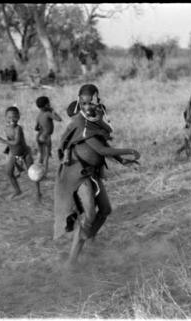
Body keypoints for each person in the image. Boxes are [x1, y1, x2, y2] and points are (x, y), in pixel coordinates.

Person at [54, 97, 140, 265]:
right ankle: (72, 260)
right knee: (89, 216)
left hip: (93, 175)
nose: (100, 114)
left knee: (106, 210)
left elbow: (106, 148)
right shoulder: (85, 130)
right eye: (98, 111)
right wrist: (129, 151)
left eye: (101, 111)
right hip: (80, 176)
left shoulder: (96, 129)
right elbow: (102, 150)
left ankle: (87, 239)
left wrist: (123, 161)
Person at [0, 106, 42, 200]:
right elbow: (10, 142)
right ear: (5, 117)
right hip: (13, 154)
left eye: (15, 117)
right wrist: (8, 150)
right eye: (9, 117)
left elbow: (16, 142)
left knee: (33, 173)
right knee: (8, 172)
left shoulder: (18, 128)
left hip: (25, 153)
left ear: (19, 117)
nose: (12, 119)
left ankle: (38, 192)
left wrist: (2, 141)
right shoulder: (6, 128)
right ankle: (17, 190)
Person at [34, 96, 62, 174]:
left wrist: (42, 128)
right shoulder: (48, 114)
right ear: (46, 105)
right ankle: (44, 173)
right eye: (49, 103)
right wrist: (53, 111)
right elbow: (59, 119)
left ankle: (37, 171)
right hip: (46, 137)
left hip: (39, 136)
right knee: (46, 156)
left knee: (40, 154)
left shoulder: (39, 115)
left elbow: (36, 128)